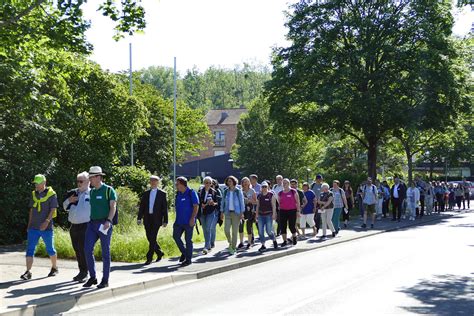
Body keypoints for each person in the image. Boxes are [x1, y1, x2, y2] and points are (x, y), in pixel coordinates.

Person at [83, 166, 117, 288]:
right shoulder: (91, 192)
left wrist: (109, 220)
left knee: (105, 252)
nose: (90, 180)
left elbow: (113, 207)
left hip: (104, 224)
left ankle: (105, 280)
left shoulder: (109, 190)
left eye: (91, 178)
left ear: (98, 177)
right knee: (87, 249)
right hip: (92, 224)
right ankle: (92, 277)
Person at [21, 174, 59, 280]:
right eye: (35, 183)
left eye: (37, 183)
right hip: (34, 227)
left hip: (46, 227)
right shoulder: (34, 194)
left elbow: (53, 209)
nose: (36, 185)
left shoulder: (52, 194)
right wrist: (29, 226)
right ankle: (28, 272)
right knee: (30, 250)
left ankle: (54, 268)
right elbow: (32, 210)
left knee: (50, 249)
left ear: (43, 183)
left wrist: (46, 222)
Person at [62, 171, 91, 282]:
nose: (79, 183)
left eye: (81, 181)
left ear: (88, 181)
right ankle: (81, 271)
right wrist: (69, 200)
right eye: (78, 181)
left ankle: (86, 272)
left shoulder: (92, 193)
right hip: (74, 225)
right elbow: (64, 207)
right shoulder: (73, 193)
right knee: (77, 249)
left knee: (84, 249)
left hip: (86, 225)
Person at [137, 175, 168, 265]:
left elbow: (164, 208)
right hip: (147, 218)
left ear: (158, 182)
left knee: (153, 237)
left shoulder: (162, 194)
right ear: (150, 182)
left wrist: (165, 220)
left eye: (155, 181)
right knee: (149, 237)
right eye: (151, 181)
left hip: (157, 219)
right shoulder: (146, 193)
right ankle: (159, 252)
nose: (153, 182)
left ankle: (149, 257)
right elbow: (142, 207)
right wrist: (139, 218)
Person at [173, 177, 199, 267]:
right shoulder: (178, 194)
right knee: (176, 237)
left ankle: (188, 260)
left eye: (177, 184)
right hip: (179, 221)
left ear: (183, 184)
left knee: (188, 240)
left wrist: (192, 218)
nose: (176, 186)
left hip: (189, 222)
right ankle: (184, 253)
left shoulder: (191, 193)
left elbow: (196, 206)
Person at [221, 176, 245, 255]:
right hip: (227, 213)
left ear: (234, 182)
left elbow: (242, 202)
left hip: (236, 213)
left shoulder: (238, 191)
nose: (229, 182)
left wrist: (242, 213)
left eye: (230, 181)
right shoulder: (225, 191)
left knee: (235, 232)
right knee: (226, 230)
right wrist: (221, 212)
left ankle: (233, 248)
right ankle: (230, 242)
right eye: (228, 181)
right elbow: (222, 202)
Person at [276, 178, 301, 246]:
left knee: (291, 226)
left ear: (289, 184)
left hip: (292, 210)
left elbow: (298, 202)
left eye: (286, 183)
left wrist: (298, 211)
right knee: (283, 226)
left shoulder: (293, 191)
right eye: (283, 183)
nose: (284, 184)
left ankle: (294, 237)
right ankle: (284, 241)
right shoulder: (280, 193)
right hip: (283, 211)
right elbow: (279, 202)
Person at [197, 177, 219, 254]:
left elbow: (217, 203)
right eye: (206, 182)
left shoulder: (214, 192)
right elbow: (197, 202)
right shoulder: (200, 192)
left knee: (208, 228)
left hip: (211, 212)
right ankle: (208, 244)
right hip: (202, 213)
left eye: (209, 183)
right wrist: (201, 205)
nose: (208, 184)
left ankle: (206, 246)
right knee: (204, 229)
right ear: (204, 183)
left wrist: (213, 203)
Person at [255, 181, 278, 252]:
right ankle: (263, 245)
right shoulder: (259, 195)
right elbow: (257, 205)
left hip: (269, 215)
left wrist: (274, 214)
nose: (264, 188)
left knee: (269, 231)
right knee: (261, 232)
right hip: (261, 215)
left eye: (265, 186)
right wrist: (256, 215)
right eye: (263, 187)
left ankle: (274, 239)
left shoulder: (271, 194)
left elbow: (274, 205)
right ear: (261, 188)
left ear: (268, 187)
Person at [238, 177, 257, 249]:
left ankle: (249, 243)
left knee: (249, 227)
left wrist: (250, 201)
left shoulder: (252, 191)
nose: (245, 183)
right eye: (244, 182)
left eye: (247, 182)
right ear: (242, 183)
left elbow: (256, 202)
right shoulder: (240, 191)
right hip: (241, 211)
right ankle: (241, 242)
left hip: (250, 211)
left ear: (249, 183)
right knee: (240, 226)